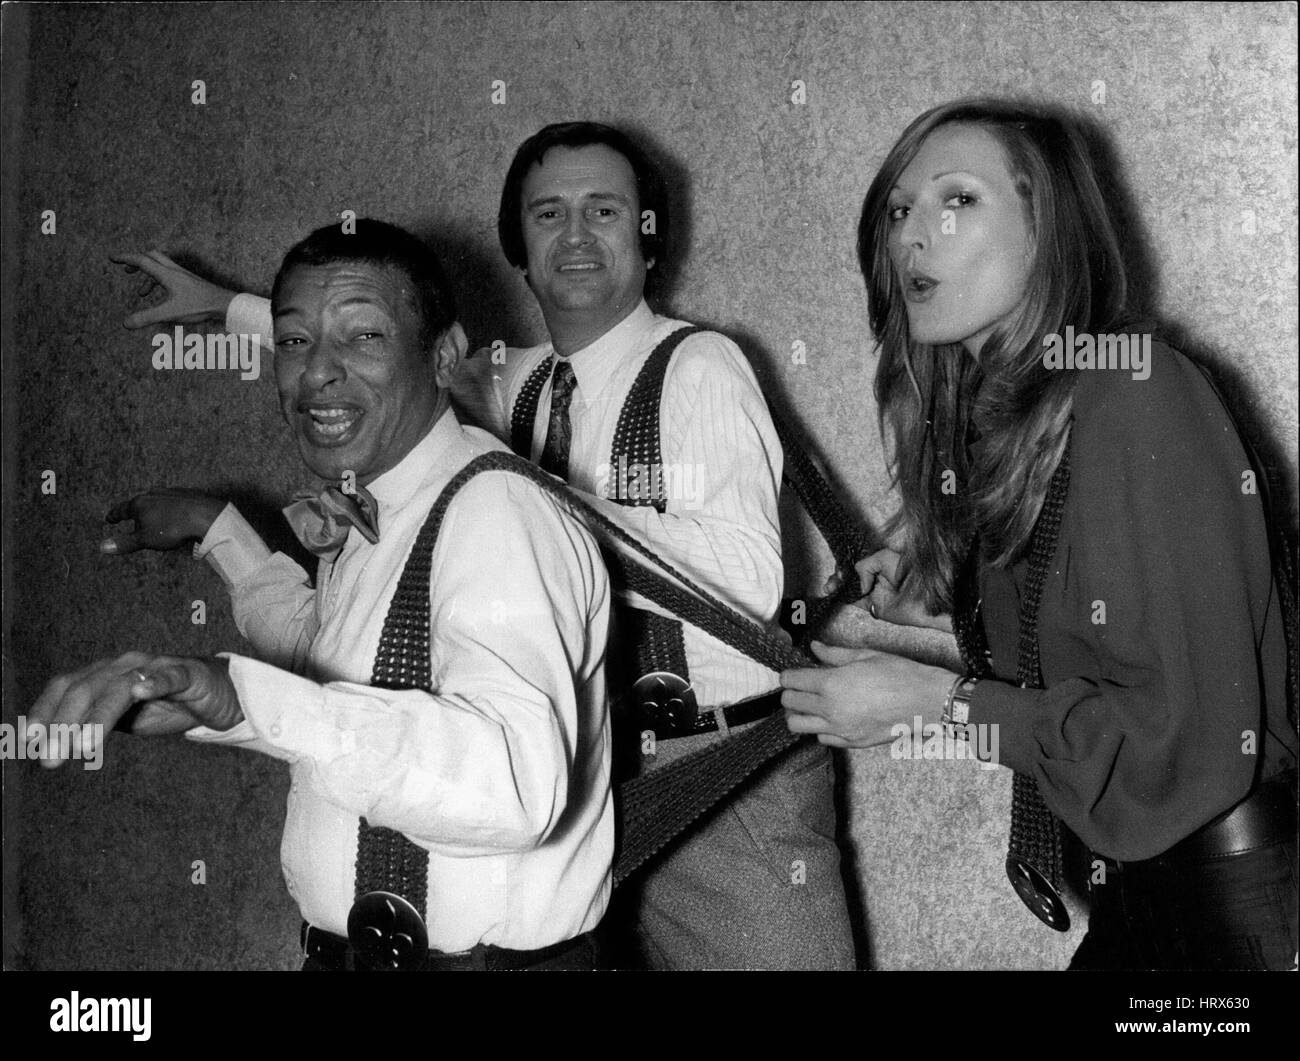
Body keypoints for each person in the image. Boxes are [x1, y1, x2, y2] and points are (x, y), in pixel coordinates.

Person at [111, 123, 856, 971]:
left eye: (604, 210)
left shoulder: (700, 364)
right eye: (548, 215)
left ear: (649, 240)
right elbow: (379, 350)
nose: (575, 236)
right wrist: (223, 306)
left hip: (724, 775)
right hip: (590, 769)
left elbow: (748, 584)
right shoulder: (518, 378)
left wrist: (530, 500)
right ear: (520, 251)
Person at [781, 97, 1298, 970]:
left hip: (1234, 908)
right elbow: (1101, 653)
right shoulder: (1047, 414)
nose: (913, 235)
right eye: (899, 210)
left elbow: (1173, 737)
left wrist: (932, 706)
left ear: (1049, 229)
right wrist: (949, 617)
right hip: (1160, 897)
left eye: (958, 200)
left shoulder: (1135, 392)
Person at [40, 219, 614, 971]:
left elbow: (513, 783)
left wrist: (246, 701)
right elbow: (332, 666)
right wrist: (215, 530)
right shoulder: (376, 507)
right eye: (292, 342)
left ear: (444, 355)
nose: (316, 374)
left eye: (364, 337)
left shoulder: (493, 512)